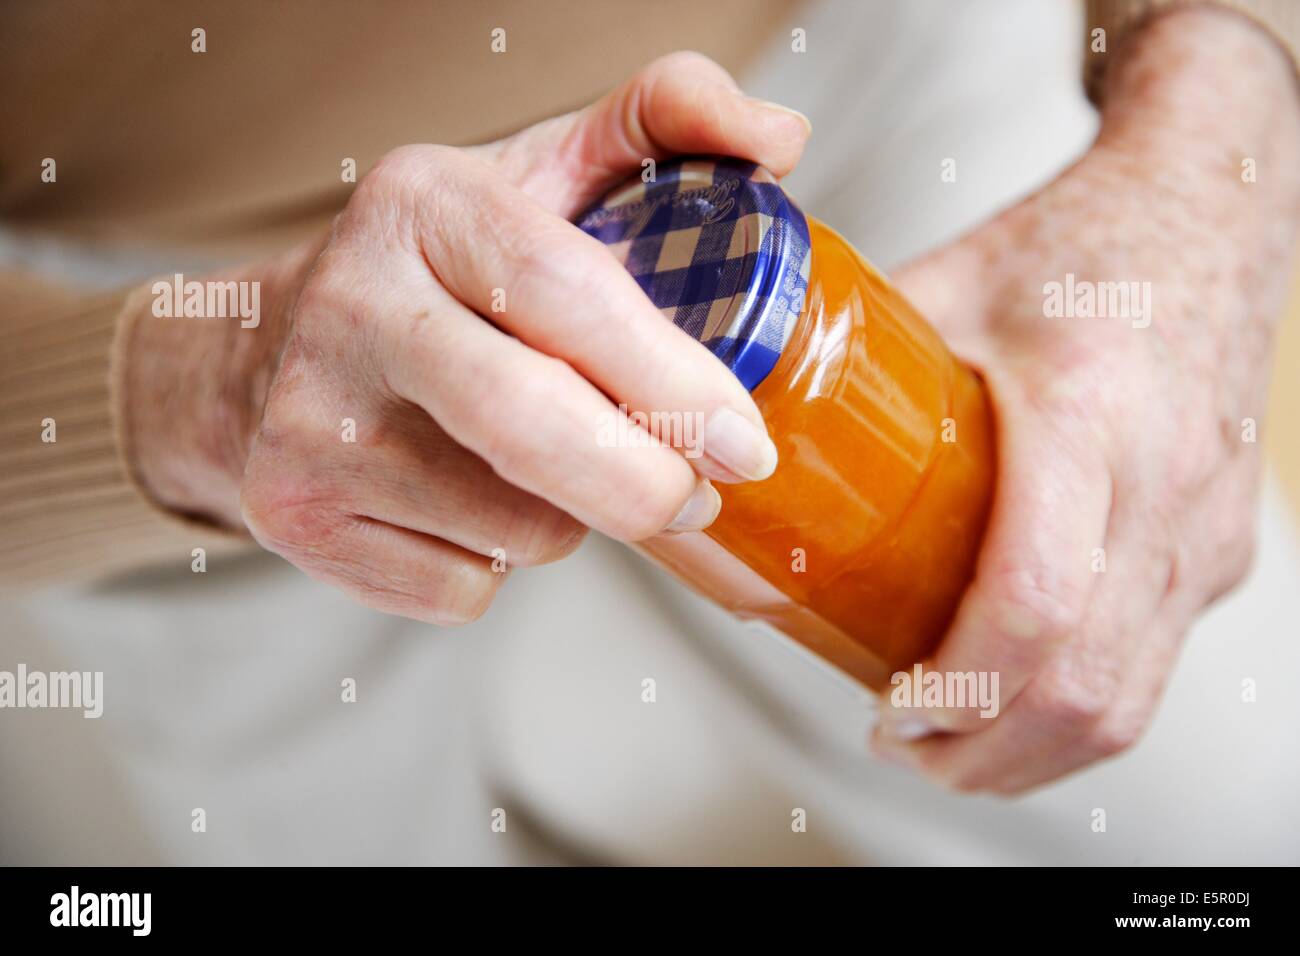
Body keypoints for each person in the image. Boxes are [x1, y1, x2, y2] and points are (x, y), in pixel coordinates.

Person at [2, 0, 1298, 864]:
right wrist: (194, 383)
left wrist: (1214, 107)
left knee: (1228, 816)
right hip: (182, 320)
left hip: (854, 95)